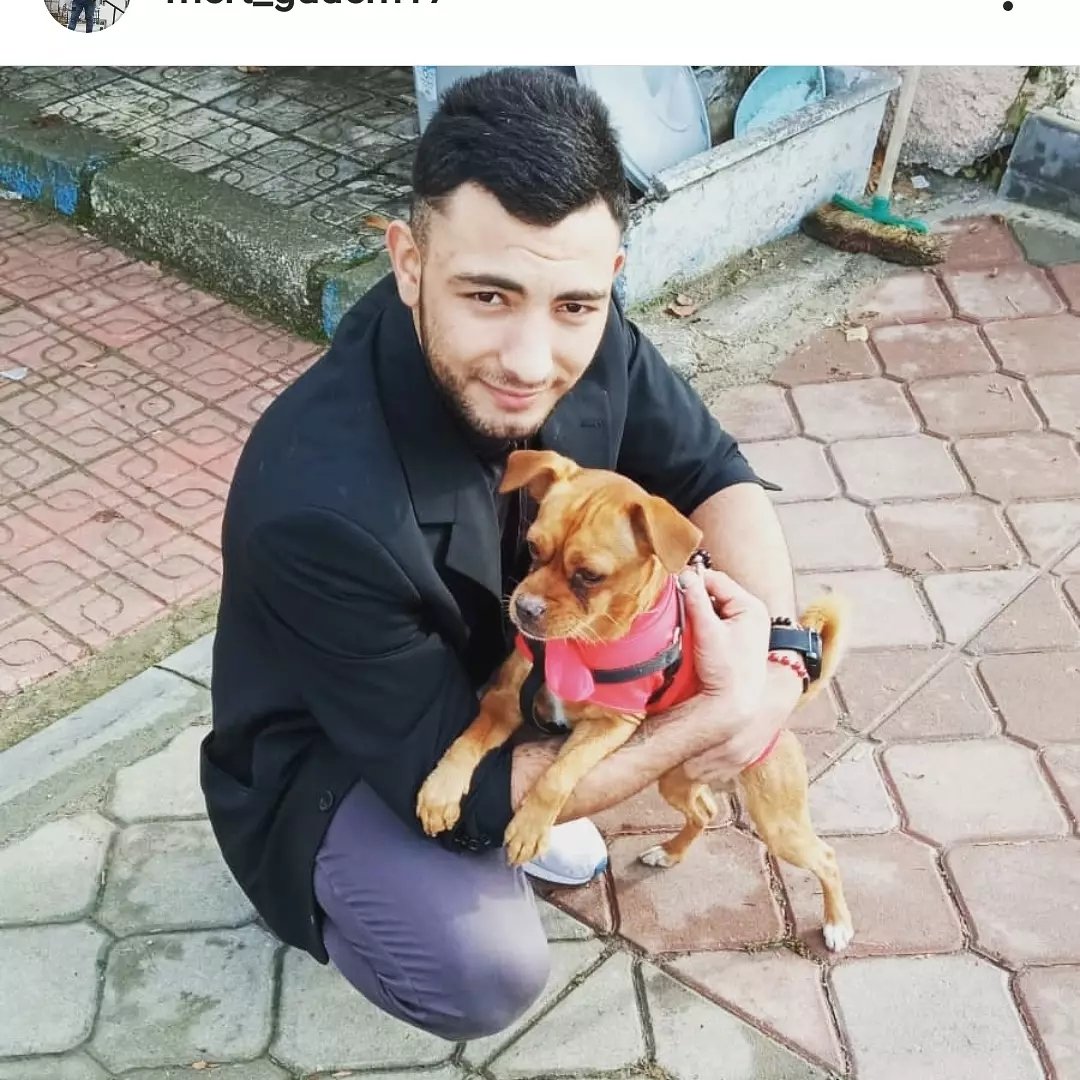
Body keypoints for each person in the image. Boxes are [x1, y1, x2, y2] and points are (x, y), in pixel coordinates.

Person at [202, 67, 812, 1042]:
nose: (532, 361)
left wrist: (779, 658)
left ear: (609, 279)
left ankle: (552, 761)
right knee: (480, 971)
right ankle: (342, 886)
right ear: (408, 262)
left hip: (509, 671)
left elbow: (712, 474)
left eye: (574, 304)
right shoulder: (317, 504)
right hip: (344, 745)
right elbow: (479, 793)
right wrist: (714, 714)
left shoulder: (584, 330)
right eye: (488, 294)